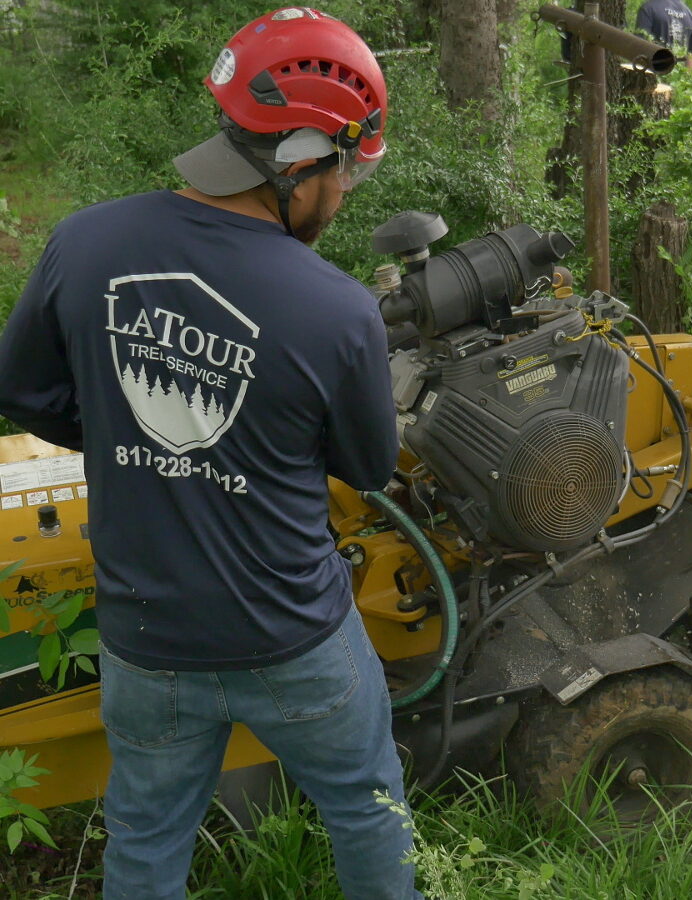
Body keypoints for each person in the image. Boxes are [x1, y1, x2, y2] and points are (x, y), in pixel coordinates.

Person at [0, 8, 422, 900]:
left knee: (148, 839)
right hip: (294, 638)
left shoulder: (86, 241)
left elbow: (24, 394)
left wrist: (124, 434)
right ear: (301, 159)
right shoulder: (338, 308)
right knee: (366, 808)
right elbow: (370, 469)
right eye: (344, 172)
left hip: (147, 642)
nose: (343, 196)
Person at [636, 0, 692, 70]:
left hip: (652, 76)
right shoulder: (690, 16)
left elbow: (639, 49)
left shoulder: (648, 8)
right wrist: (686, 77)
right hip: (677, 78)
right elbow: (691, 56)